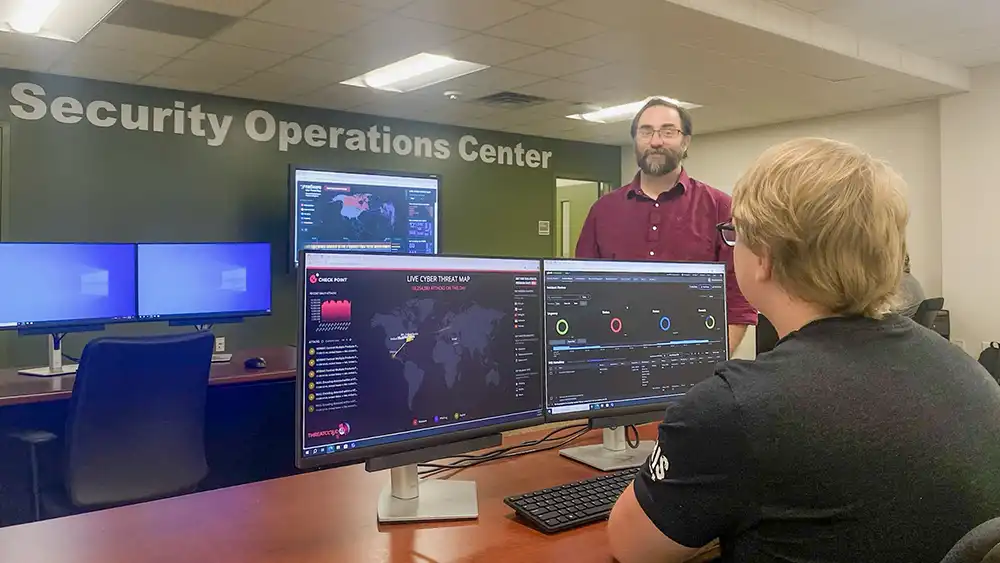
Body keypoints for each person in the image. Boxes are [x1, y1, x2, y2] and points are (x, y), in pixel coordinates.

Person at [607, 137, 1000, 563]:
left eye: (735, 234)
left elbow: (632, 548)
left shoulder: (736, 407)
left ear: (765, 258)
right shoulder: (967, 372)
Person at [575, 98, 756, 355]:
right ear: (635, 140)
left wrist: (712, 361)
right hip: (615, 358)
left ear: (686, 141)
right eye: (646, 131)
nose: (656, 141)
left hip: (694, 361)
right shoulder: (602, 211)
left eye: (668, 132)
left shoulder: (720, 208)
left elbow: (739, 296)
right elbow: (582, 291)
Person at [895, 253, 926, 318]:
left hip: (901, 325)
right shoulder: (910, 279)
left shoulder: (901, 282)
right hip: (909, 324)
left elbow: (889, 315)